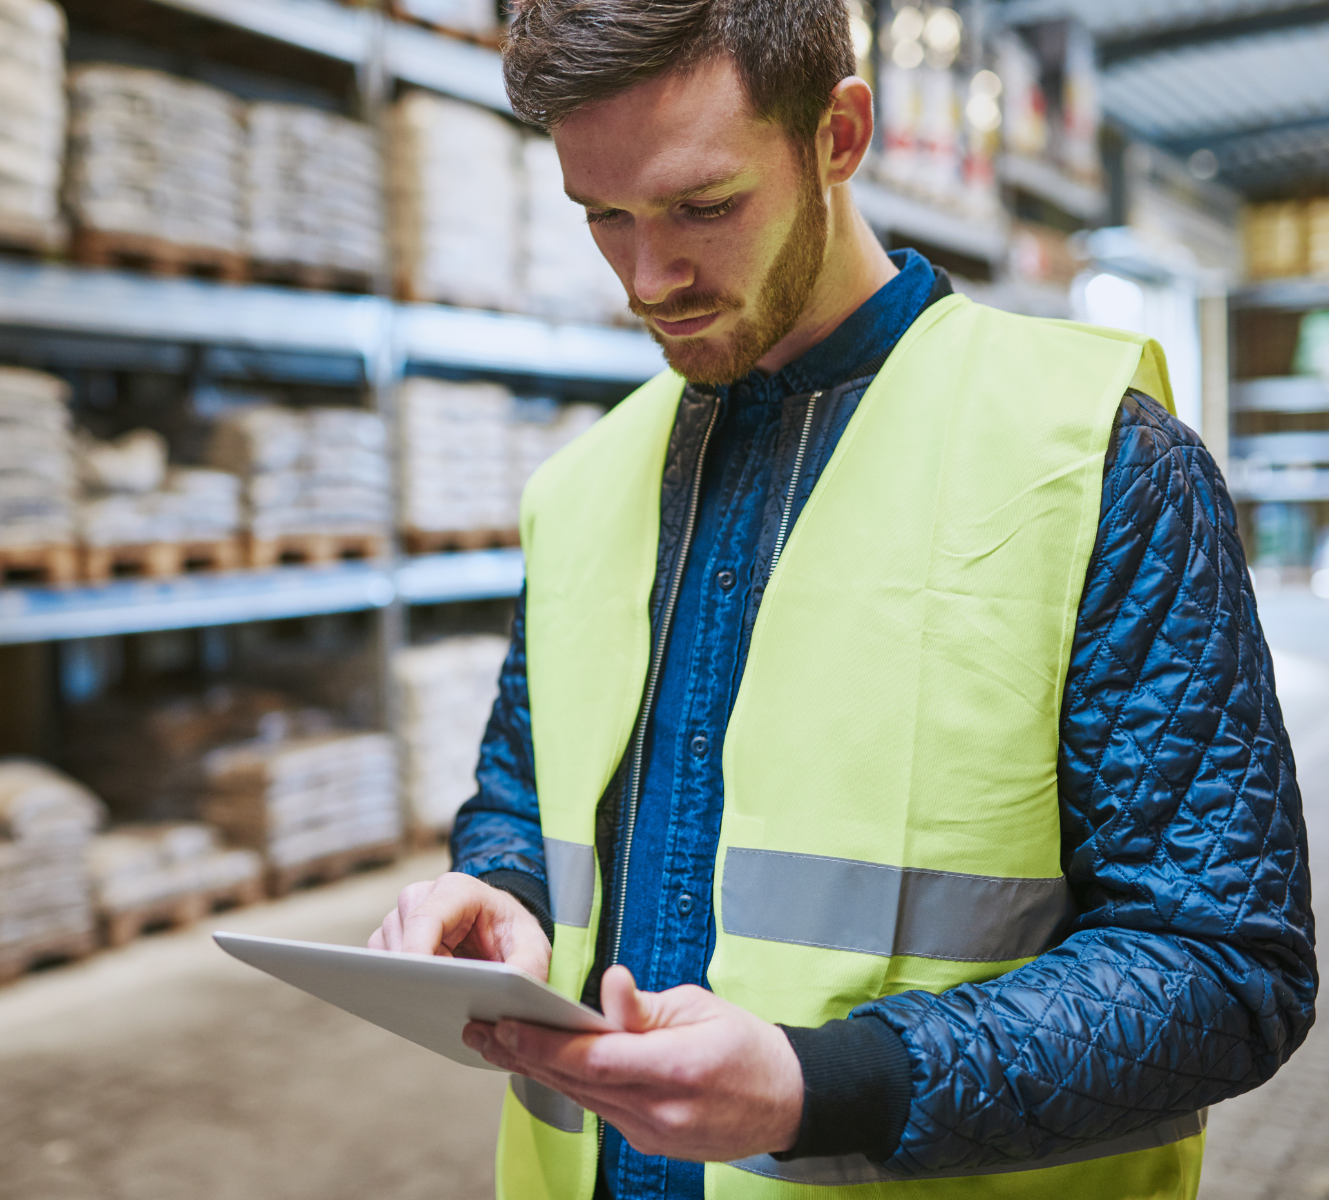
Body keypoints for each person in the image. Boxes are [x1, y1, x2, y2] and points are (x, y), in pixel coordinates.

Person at [367, 2, 1316, 1198]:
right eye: (602, 212)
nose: (649, 276)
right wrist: (493, 890)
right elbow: (518, 791)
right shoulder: (585, 486)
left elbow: (1225, 970)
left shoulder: (1101, 466)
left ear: (839, 135)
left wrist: (829, 1084)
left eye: (703, 206)